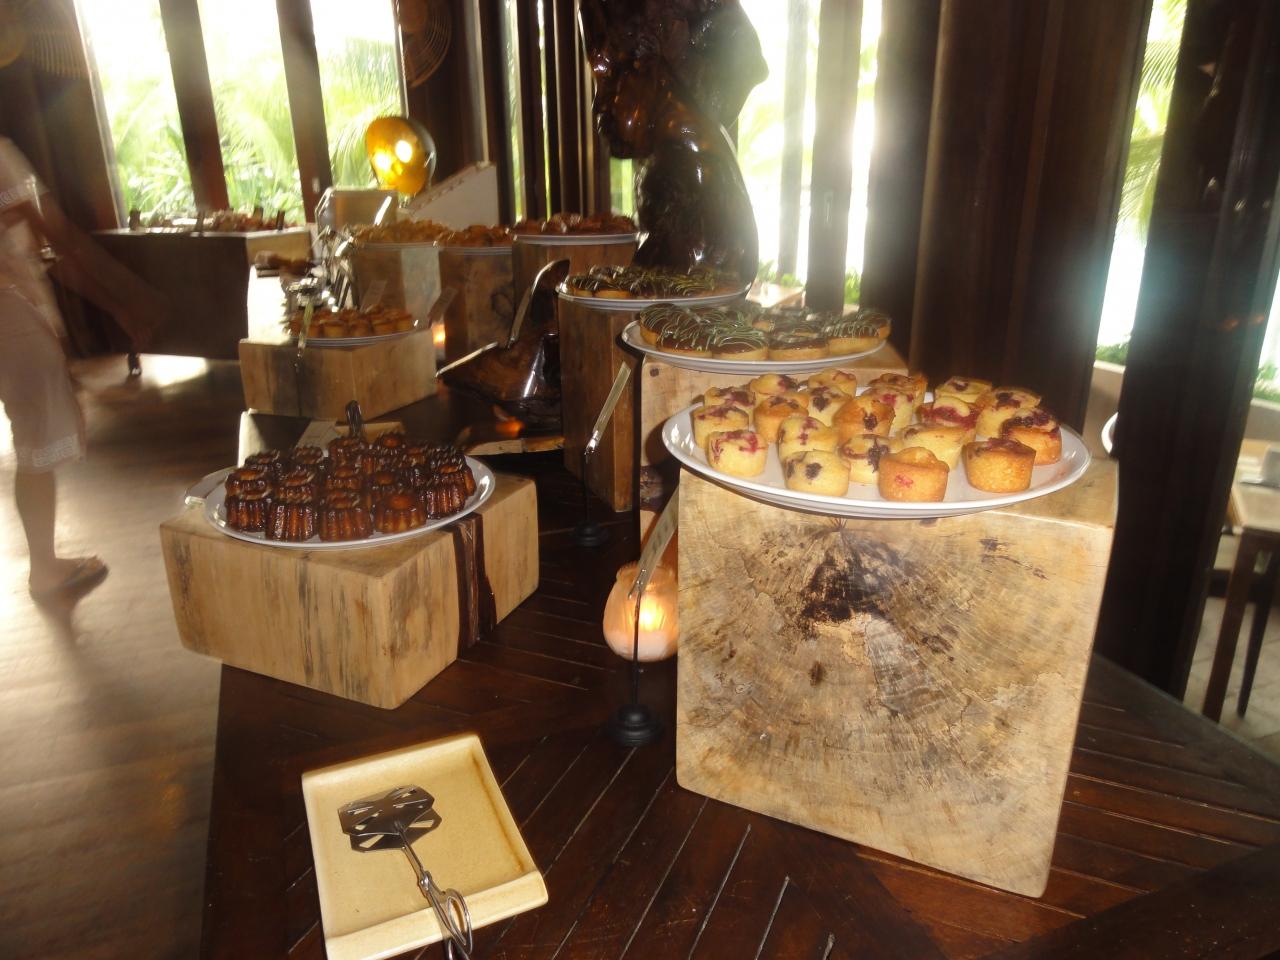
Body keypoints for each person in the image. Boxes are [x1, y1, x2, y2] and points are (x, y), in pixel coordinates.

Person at [0, 136, 160, 599]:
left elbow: (45, 247)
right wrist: (123, 299)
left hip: (14, 312)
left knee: (33, 445)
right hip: (12, 314)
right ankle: (45, 569)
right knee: (36, 447)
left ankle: (44, 562)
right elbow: (59, 236)